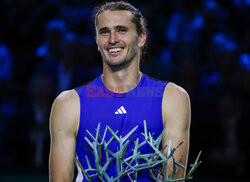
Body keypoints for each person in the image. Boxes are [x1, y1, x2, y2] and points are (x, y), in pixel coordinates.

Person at [49, 1, 191, 181]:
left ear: (141, 37)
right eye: (104, 32)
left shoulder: (172, 98)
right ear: (97, 41)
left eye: (121, 30)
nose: (112, 39)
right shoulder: (68, 103)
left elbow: (174, 177)